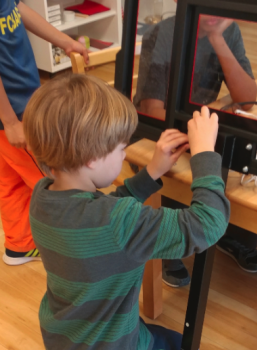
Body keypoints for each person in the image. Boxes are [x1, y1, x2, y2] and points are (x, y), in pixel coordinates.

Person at [22, 74, 230, 350]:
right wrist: (204, 152)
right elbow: (207, 224)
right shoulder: (117, 222)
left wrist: (152, 171)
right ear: (92, 159)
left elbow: (103, 216)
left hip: (65, 338)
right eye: (121, 148)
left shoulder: (43, 195)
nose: (124, 154)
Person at [134, 14, 257, 287]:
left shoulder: (227, 31)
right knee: (187, 167)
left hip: (196, 123)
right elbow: (151, 109)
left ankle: (230, 234)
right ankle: (169, 249)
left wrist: (218, 37)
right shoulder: (165, 33)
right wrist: (197, 136)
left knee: (237, 161)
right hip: (158, 131)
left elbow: (248, 99)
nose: (214, 14)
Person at [0, 0, 88, 265]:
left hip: (17, 103)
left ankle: (20, 245)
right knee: (52, 177)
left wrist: (65, 42)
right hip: (13, 111)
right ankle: (83, 245)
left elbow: (17, 7)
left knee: (11, 180)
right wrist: (10, 121)